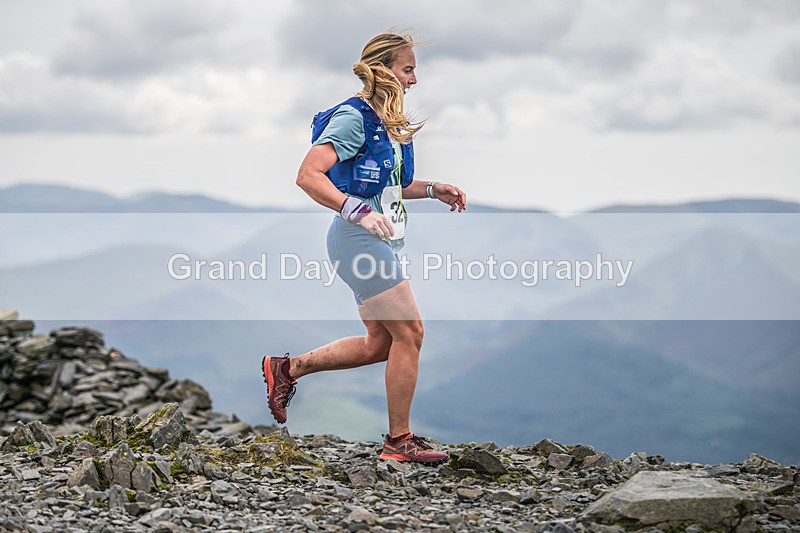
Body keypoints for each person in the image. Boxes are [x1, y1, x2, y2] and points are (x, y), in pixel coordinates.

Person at [262, 32, 466, 464]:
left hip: (382, 241)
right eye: (408, 69)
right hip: (357, 239)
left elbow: (389, 185)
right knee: (411, 332)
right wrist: (356, 210)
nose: (413, 80)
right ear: (383, 68)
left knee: (380, 343)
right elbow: (308, 175)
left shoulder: (390, 123)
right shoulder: (353, 118)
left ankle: (288, 368)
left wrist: (433, 188)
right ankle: (399, 442)